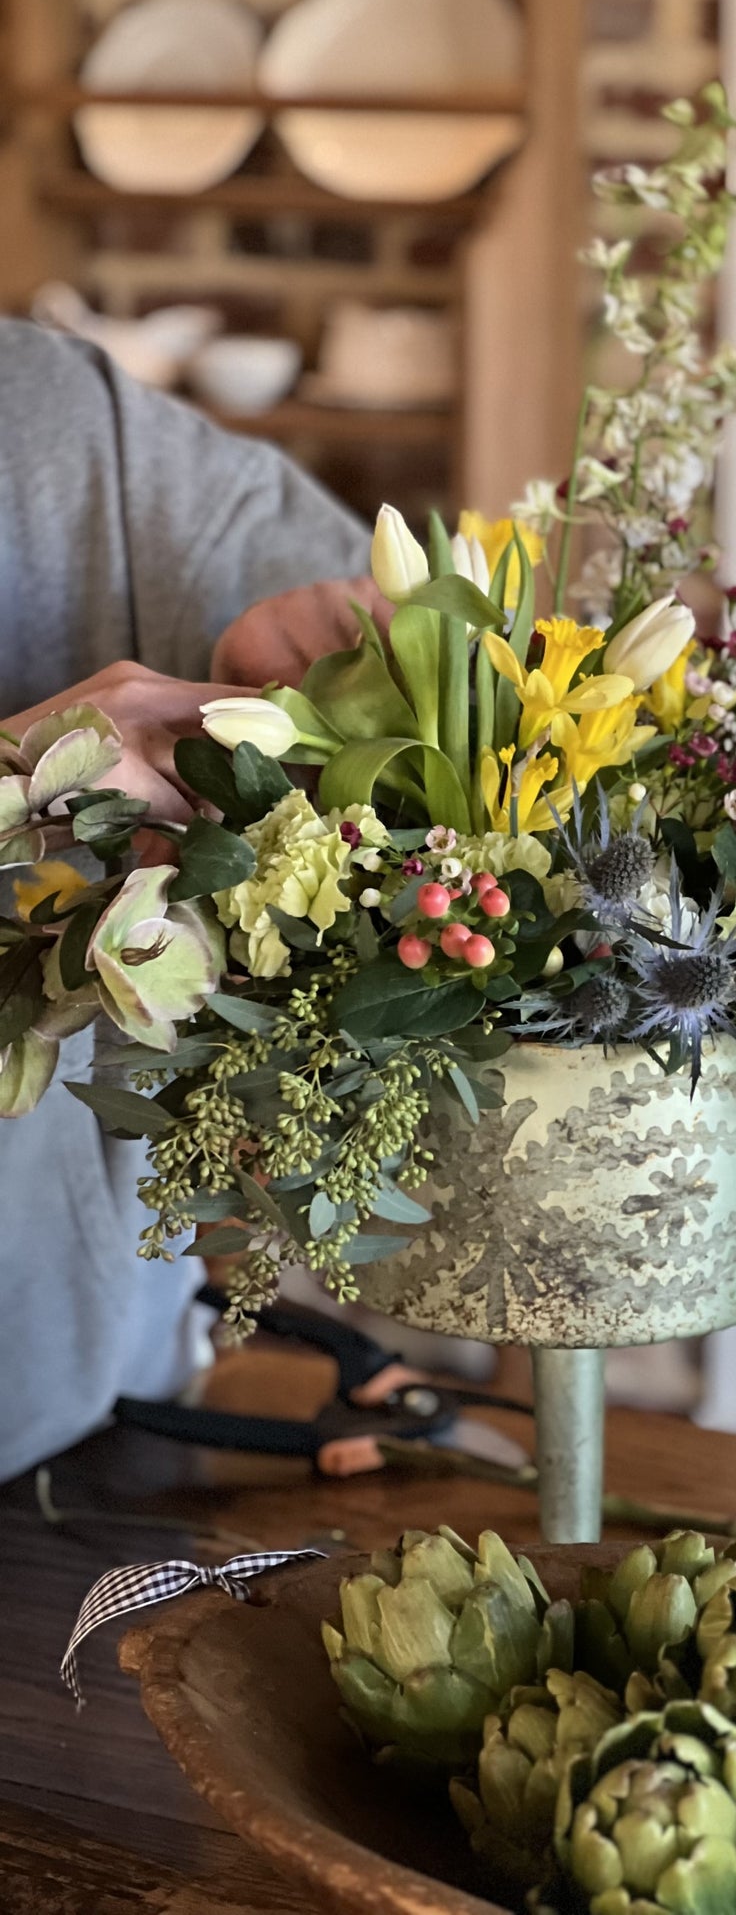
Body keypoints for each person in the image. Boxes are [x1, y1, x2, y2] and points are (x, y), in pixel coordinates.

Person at [0, 318, 377, 1482]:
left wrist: (361, 692)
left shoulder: (52, 424)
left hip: (95, 1417)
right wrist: (20, 784)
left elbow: (458, 685)